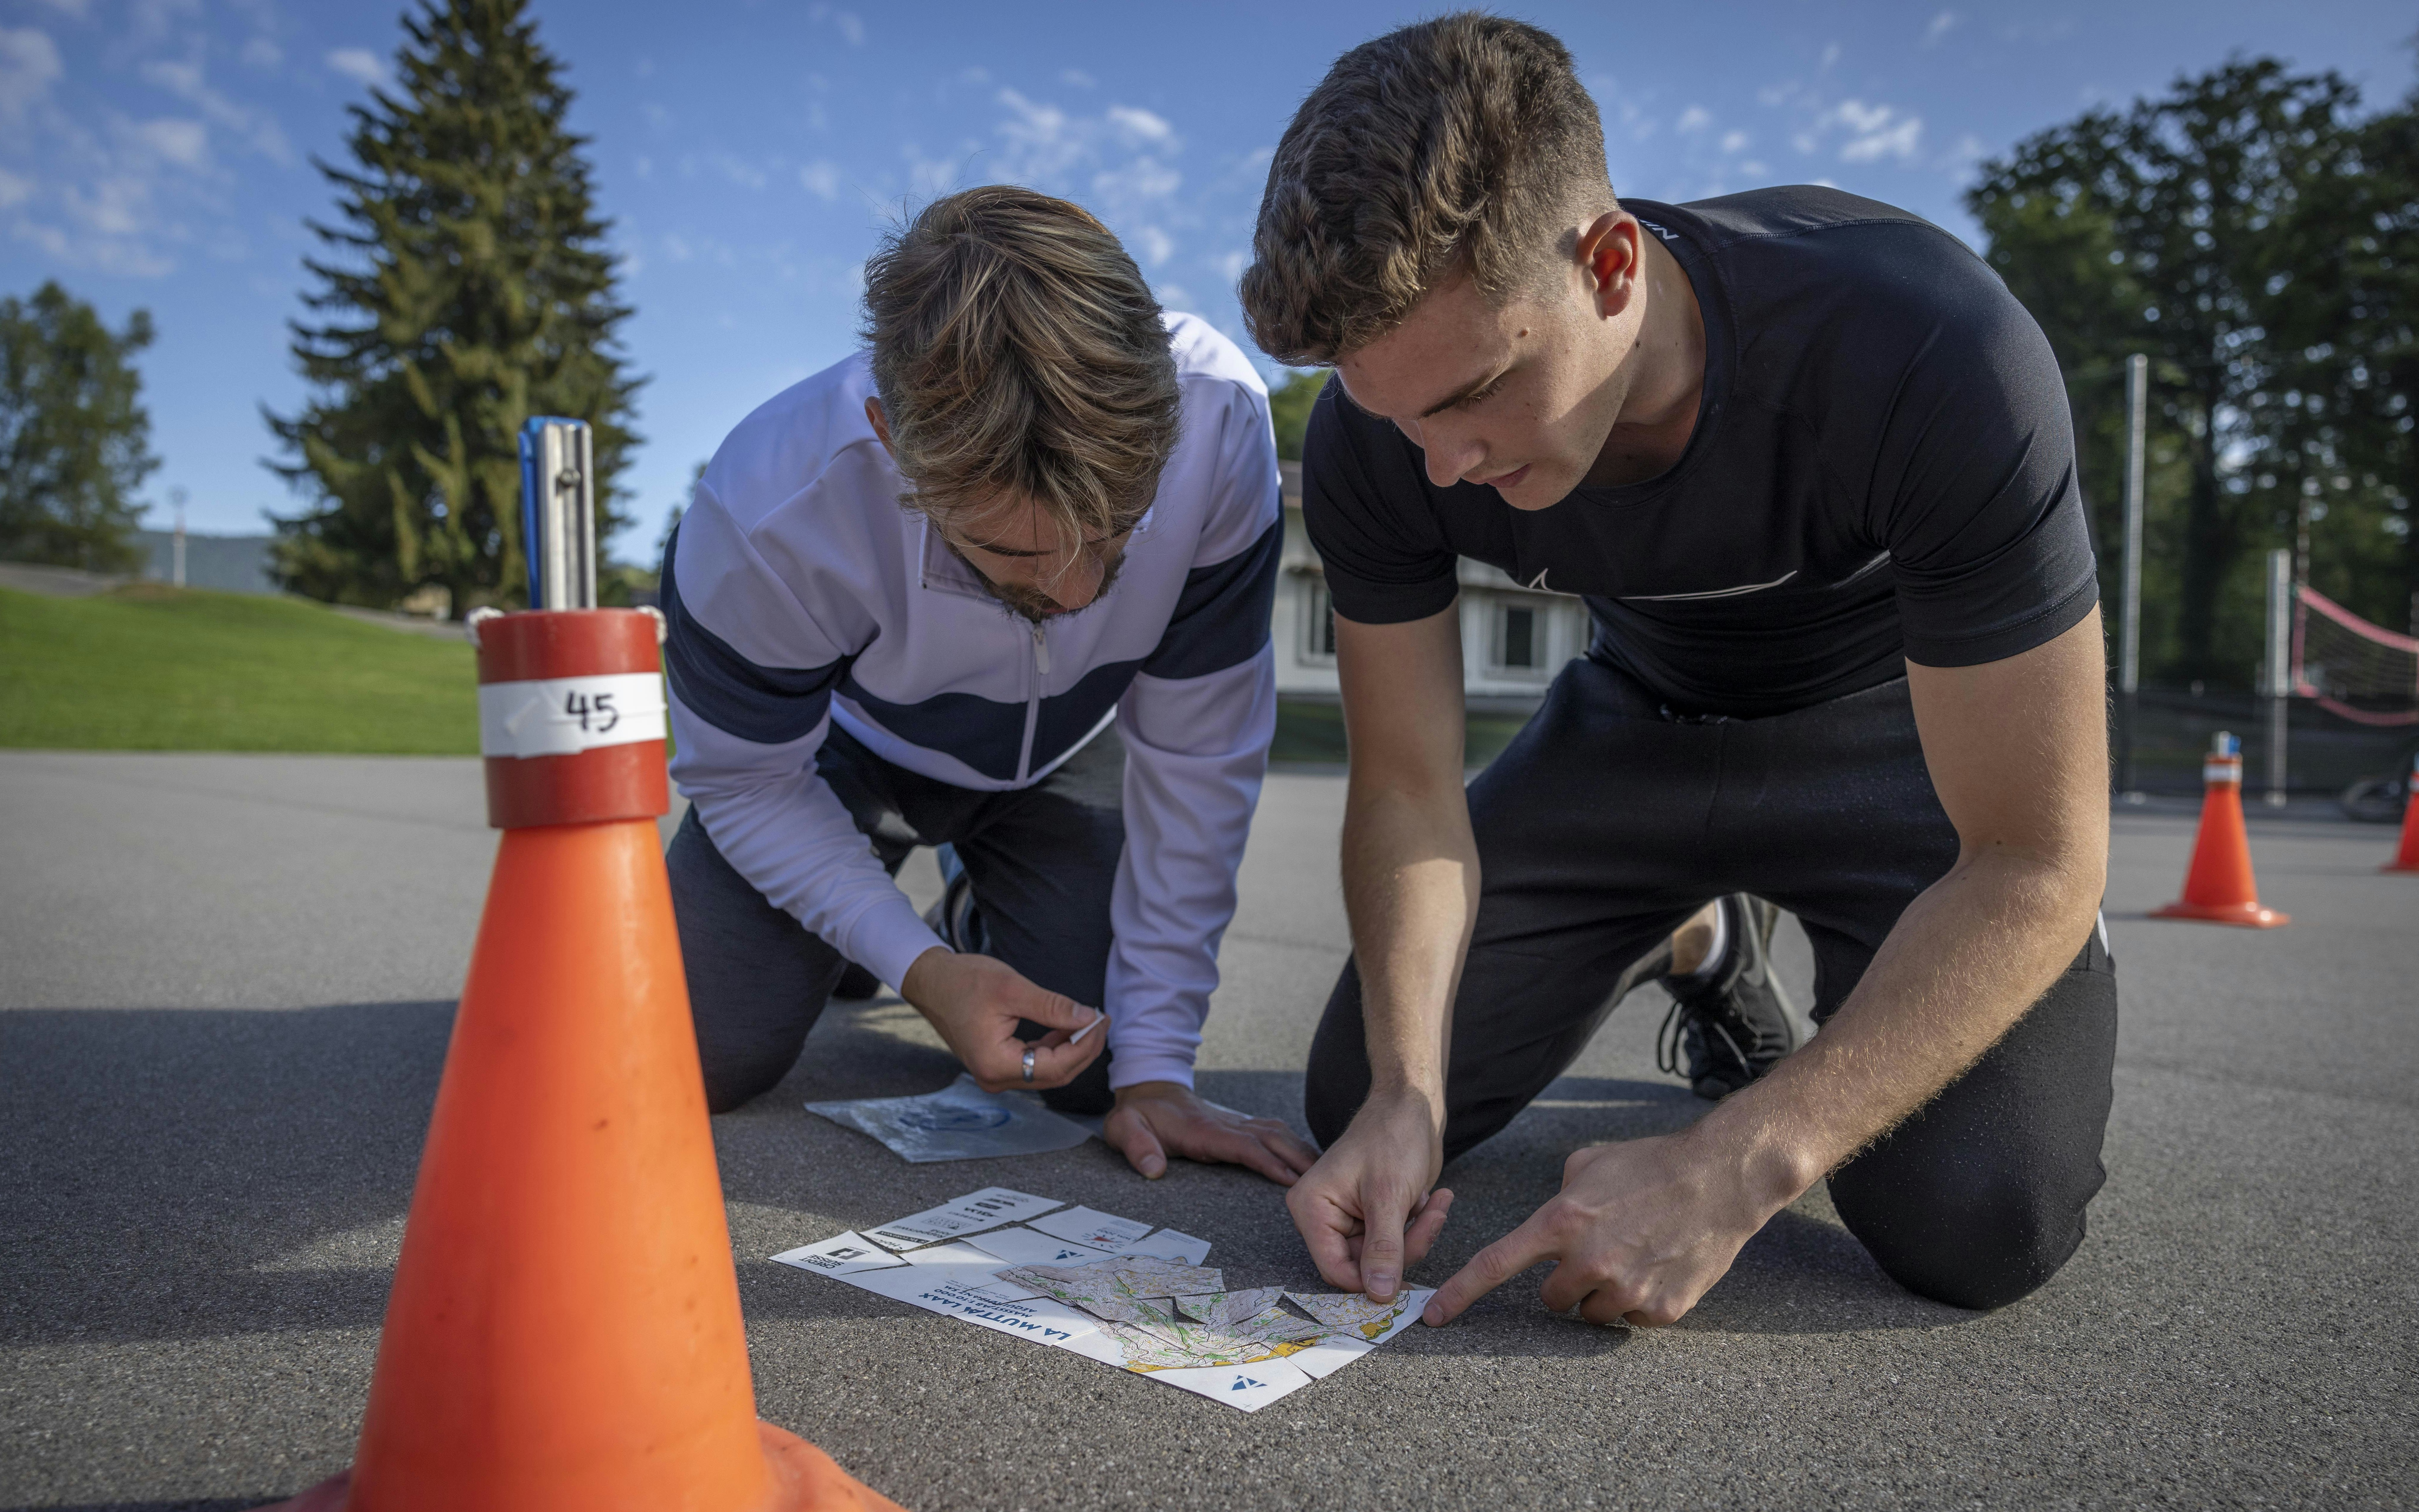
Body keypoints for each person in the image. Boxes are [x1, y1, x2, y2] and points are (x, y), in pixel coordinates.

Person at [1237, 14, 2116, 1322]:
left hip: (1894, 743)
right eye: (1390, 411)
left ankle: (1780, 962)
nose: (1439, 464)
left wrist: (1739, 1162)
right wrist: (1402, 1092)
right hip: (1632, 728)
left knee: (1980, 1216)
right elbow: (1410, 791)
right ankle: (1685, 928)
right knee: (1354, 1102)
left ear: (1606, 264)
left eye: (1472, 393)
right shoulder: (1391, 438)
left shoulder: (1929, 348)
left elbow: (2036, 857)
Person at [662, 185, 1317, 1186]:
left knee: (1100, 1062)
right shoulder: (765, 508)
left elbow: (1199, 757)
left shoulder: (1221, 422)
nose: (1076, 591)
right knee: (698, 1055)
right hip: (838, 760)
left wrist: (1159, 1074)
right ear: (892, 439)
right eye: (1009, 552)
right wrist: (920, 980)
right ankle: (872, 923)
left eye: (1116, 536)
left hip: (1063, 750)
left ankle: (972, 909)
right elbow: (747, 781)